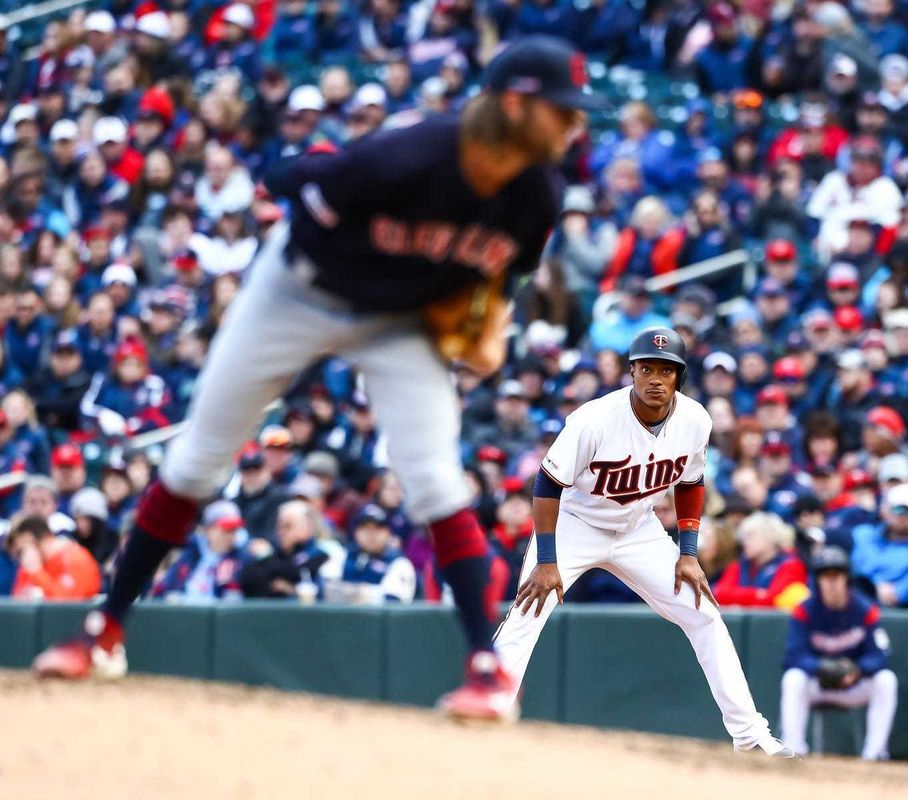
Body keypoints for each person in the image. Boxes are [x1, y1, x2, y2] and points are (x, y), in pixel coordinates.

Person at [33, 36, 602, 722]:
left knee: (435, 481)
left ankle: (486, 669)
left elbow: (500, 285)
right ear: (516, 105)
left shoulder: (539, 195)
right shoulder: (407, 157)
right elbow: (287, 178)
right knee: (197, 460)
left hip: (400, 319)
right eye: (563, 110)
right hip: (298, 294)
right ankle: (104, 632)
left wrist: (485, 327)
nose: (577, 125)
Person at [493, 327, 794, 756]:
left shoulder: (695, 420)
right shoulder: (594, 419)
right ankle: (491, 708)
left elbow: (691, 483)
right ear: (631, 372)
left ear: (679, 377)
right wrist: (546, 558)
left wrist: (687, 553)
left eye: (666, 370)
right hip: (576, 522)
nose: (656, 378)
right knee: (528, 608)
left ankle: (750, 736)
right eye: (647, 368)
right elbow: (546, 484)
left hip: (638, 528)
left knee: (704, 613)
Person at [779, 546, 898, 760]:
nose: (831, 582)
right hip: (819, 684)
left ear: (846, 578)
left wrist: (856, 670)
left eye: (837, 575)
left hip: (852, 684)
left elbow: (880, 655)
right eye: (825, 576)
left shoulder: (866, 609)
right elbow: (793, 656)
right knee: (793, 678)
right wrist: (823, 668)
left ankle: (875, 754)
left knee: (886, 680)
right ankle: (794, 749)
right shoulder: (804, 610)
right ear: (818, 580)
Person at [850, 483, 908, 607]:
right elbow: (856, 567)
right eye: (897, 509)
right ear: (885, 511)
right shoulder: (863, 534)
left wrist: (896, 592)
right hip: (859, 601)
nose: (902, 516)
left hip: (900, 612)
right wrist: (877, 583)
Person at [151, 500, 250, 600]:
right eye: (227, 530)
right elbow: (166, 586)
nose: (231, 536)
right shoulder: (191, 551)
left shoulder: (241, 557)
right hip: (185, 610)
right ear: (209, 529)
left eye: (234, 530)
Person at [712, 511, 809, 609]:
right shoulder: (737, 565)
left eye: (751, 536)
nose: (745, 542)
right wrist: (758, 594)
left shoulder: (791, 565)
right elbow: (718, 593)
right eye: (744, 537)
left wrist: (736, 596)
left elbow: (773, 599)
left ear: (770, 537)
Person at [334, 503, 417, 603]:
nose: (371, 534)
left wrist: (361, 593)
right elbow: (328, 592)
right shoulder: (343, 556)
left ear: (388, 532)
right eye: (365, 528)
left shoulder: (399, 562)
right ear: (356, 532)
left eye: (377, 528)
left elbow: (394, 600)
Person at [7, 515, 101, 601]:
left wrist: (37, 572)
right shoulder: (29, 566)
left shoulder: (76, 559)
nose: (22, 558)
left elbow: (66, 606)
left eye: (21, 551)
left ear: (31, 539)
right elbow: (18, 603)